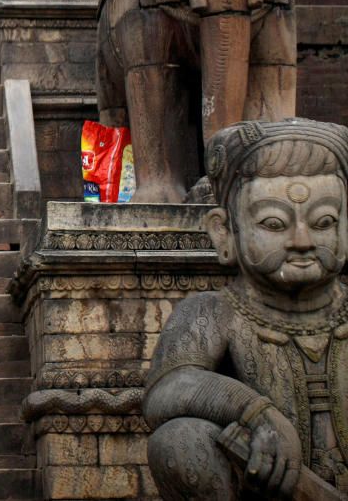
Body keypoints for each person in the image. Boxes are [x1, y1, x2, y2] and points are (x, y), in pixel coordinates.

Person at [144, 118, 348, 500]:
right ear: (225, 232)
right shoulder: (215, 312)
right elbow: (168, 388)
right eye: (274, 223)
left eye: (324, 222)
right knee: (179, 440)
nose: (302, 241)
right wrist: (256, 412)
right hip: (264, 488)